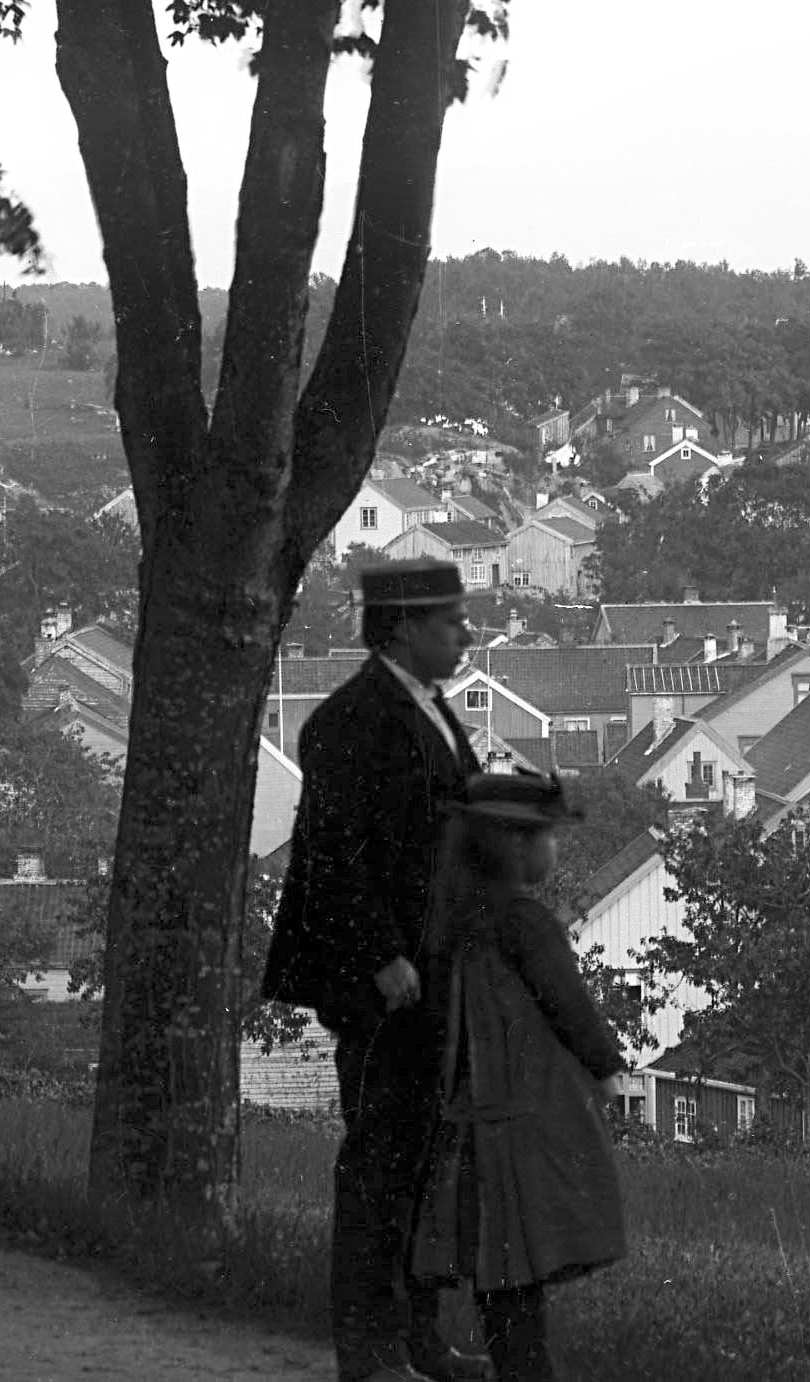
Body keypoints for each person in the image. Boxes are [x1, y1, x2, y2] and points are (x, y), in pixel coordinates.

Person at [261, 557, 487, 1382]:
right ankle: (367, 1344)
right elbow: (336, 857)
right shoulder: (352, 722)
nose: (464, 634)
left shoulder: (429, 710)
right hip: (388, 981)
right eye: (450, 620)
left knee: (424, 1163)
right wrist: (380, 956)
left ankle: (416, 1331)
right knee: (381, 1163)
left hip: (437, 972)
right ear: (403, 628)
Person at [409, 771, 629, 1382]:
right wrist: (606, 1067)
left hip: (471, 1121)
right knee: (521, 1267)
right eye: (548, 837)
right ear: (515, 845)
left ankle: (518, 1368)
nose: (555, 850)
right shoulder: (526, 922)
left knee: (500, 1279)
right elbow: (567, 999)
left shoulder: (454, 920)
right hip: (520, 1124)